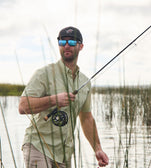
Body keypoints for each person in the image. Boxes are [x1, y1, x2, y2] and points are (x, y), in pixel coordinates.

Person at [19, 26, 109, 168]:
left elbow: (86, 118)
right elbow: (23, 106)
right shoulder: (43, 73)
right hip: (37, 146)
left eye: (72, 42)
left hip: (64, 154)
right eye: (62, 42)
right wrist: (54, 100)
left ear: (81, 46)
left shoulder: (84, 82)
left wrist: (97, 148)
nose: (66, 45)